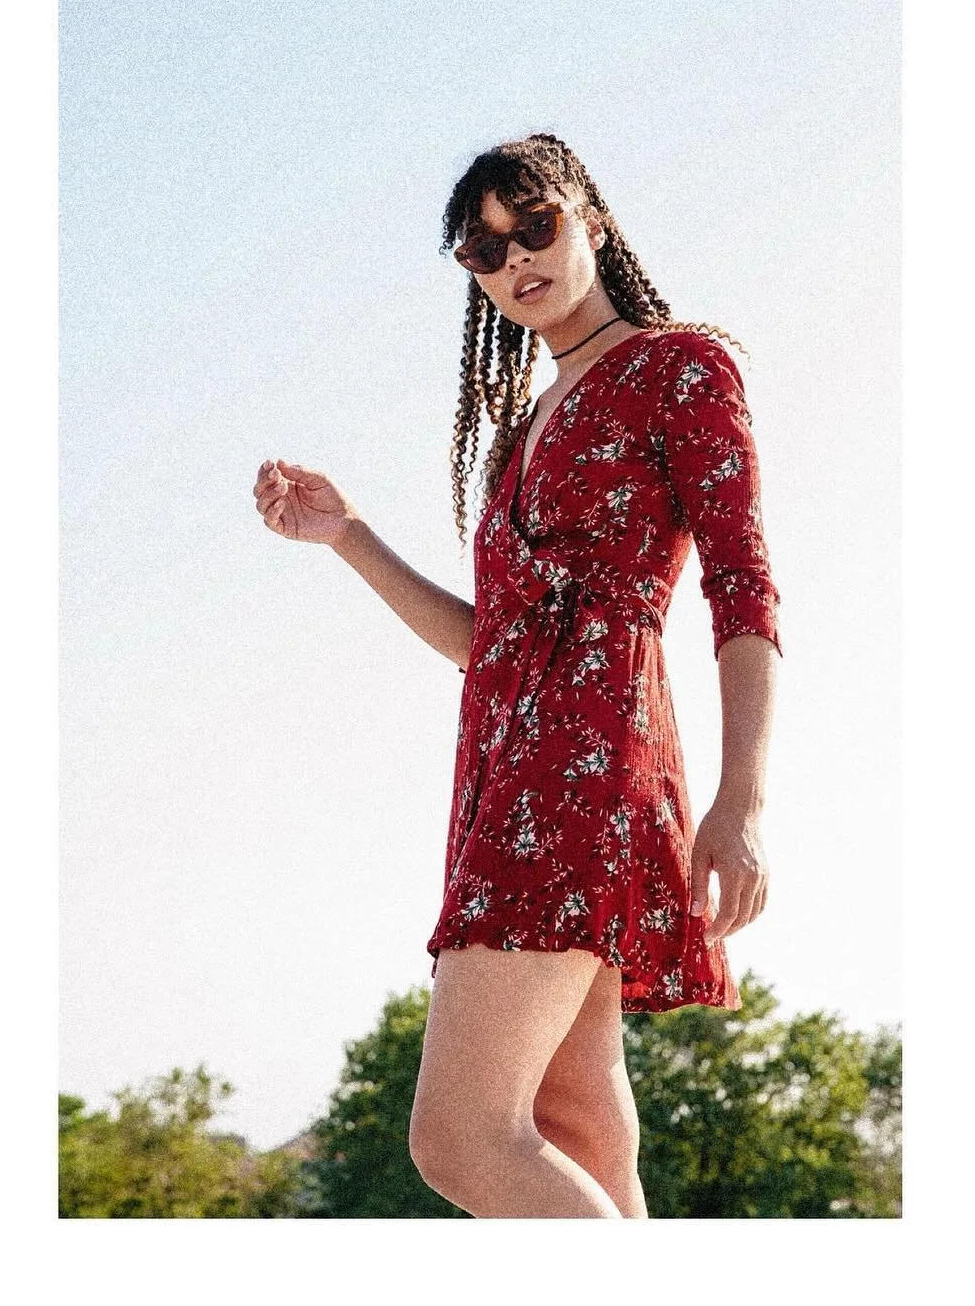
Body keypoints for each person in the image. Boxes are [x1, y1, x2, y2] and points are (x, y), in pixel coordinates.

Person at [254, 133, 782, 1218]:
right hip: (503, 771)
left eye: (533, 225)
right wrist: (347, 535)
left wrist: (743, 800)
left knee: (460, 1138)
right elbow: (485, 643)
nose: (514, 260)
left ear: (593, 218)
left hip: (591, 763)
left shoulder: (680, 367)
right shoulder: (521, 427)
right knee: (571, 1120)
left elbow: (744, 590)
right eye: (483, 251)